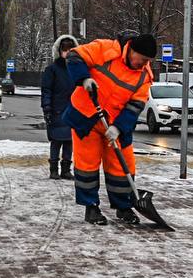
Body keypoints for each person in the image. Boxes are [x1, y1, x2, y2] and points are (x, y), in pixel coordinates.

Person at [62, 33, 156, 225]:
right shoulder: (106, 49)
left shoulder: (144, 77)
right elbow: (75, 55)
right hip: (86, 117)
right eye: (143, 59)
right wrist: (84, 79)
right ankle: (91, 207)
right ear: (132, 50)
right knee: (87, 164)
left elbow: (135, 106)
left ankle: (124, 206)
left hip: (115, 124)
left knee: (123, 166)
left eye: (148, 61)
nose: (144, 64)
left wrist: (118, 128)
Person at [41, 35, 78, 179]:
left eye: (70, 49)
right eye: (65, 49)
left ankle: (66, 169)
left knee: (70, 141)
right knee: (56, 141)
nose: (67, 52)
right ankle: (53, 169)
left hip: (73, 110)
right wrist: (47, 108)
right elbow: (46, 90)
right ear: (59, 50)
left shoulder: (76, 69)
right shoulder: (52, 70)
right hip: (57, 110)